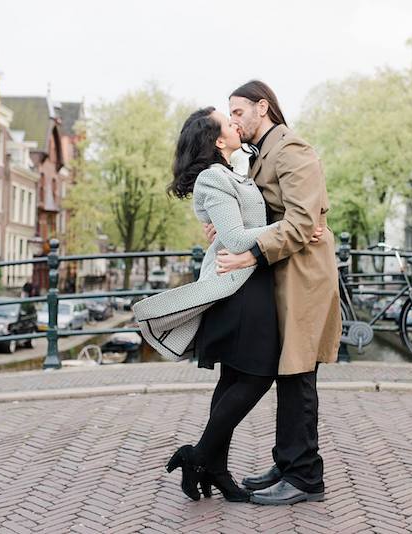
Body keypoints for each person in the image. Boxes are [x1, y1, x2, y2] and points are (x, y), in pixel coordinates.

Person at [132, 107, 321, 503]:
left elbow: (240, 218)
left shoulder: (235, 168)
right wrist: (301, 228)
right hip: (240, 293)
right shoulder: (213, 176)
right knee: (256, 376)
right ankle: (199, 456)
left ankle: (212, 465)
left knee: (234, 379)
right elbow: (236, 239)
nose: (235, 124)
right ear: (218, 140)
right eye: (227, 120)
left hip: (250, 286)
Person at [209, 80, 341, 505]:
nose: (233, 120)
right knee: (287, 372)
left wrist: (249, 256)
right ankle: (288, 462)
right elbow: (268, 212)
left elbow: (303, 223)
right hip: (283, 274)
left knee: (299, 374)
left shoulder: (290, 149)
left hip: (303, 277)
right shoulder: (262, 155)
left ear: (262, 107)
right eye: (230, 115)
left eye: (239, 112)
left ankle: (305, 477)